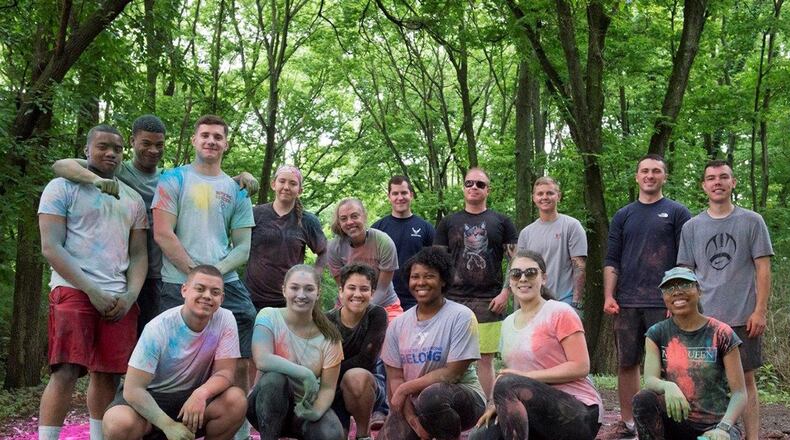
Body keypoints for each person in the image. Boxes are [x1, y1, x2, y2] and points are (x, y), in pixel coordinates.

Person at [51, 114, 259, 335]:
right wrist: (96, 180)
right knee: (135, 338)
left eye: (159, 145)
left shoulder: (168, 176)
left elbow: (206, 181)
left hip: (161, 270)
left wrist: (239, 178)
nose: (153, 150)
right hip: (128, 269)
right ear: (132, 143)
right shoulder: (118, 169)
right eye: (146, 143)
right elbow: (61, 165)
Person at [38, 125, 148, 440]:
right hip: (73, 291)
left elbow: (139, 255)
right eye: (102, 146)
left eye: (117, 147)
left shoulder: (133, 199)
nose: (110, 153)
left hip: (118, 299)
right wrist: (91, 290)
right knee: (66, 371)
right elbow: (51, 247)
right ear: (87, 150)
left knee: (108, 376)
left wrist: (129, 295)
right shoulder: (61, 188)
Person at [152, 114, 257, 439]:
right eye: (205, 135)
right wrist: (195, 274)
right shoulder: (172, 179)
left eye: (218, 137)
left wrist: (213, 274)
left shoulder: (236, 189)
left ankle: (237, 423)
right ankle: (168, 421)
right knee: (175, 353)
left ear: (226, 144)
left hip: (226, 281)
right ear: (196, 141)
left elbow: (242, 247)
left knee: (246, 330)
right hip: (177, 279)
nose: (211, 141)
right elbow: (162, 233)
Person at [677, 160, 773, 440]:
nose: (717, 182)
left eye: (723, 177)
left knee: (746, 381)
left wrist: (760, 311)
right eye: (711, 178)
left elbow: (763, 268)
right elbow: (684, 273)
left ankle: (751, 437)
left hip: (743, 318)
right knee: (702, 383)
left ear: (733, 182)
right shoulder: (692, 227)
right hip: (703, 320)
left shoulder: (752, 221)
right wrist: (682, 310)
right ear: (703, 186)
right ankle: (711, 434)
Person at [102, 265, 247, 440]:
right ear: (184, 290)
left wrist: (201, 393)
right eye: (200, 289)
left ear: (222, 298)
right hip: (150, 398)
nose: (207, 296)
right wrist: (167, 425)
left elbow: (225, 372)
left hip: (192, 398)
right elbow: (133, 390)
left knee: (236, 400)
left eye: (215, 292)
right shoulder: (158, 328)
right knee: (118, 422)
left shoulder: (225, 319)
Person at [603, 154, 692, 438]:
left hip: (664, 303)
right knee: (627, 362)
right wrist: (608, 295)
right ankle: (630, 423)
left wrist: (677, 299)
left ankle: (670, 420)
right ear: (637, 177)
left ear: (664, 177)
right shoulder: (623, 215)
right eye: (645, 171)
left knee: (672, 364)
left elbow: (685, 261)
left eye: (656, 171)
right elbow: (612, 259)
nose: (650, 176)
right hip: (627, 301)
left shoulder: (678, 212)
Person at [470, 250, 602, 440]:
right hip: (532, 410)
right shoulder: (508, 323)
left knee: (509, 383)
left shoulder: (560, 312)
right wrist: (495, 402)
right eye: (516, 274)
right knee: (480, 436)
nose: (523, 278)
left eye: (530, 272)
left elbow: (581, 367)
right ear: (511, 282)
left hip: (579, 411)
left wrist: (523, 378)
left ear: (544, 278)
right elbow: (510, 373)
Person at [379, 247, 486, 440]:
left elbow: (452, 373)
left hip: (463, 399)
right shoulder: (397, 324)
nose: (420, 282)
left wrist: (404, 389)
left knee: (432, 398)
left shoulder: (461, 316)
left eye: (429, 276)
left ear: (443, 280)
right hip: (415, 405)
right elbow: (395, 379)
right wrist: (415, 424)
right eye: (415, 277)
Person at [632, 267, 747, 440]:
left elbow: (740, 393)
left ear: (699, 291)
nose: (677, 292)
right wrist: (668, 386)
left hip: (716, 425)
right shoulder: (657, 333)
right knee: (643, 399)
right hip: (677, 422)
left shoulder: (721, 333)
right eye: (669, 288)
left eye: (685, 285)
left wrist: (723, 428)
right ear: (664, 297)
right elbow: (649, 380)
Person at [434, 167, 518, 399]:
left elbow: (516, 261)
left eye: (480, 184)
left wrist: (505, 293)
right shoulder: (448, 222)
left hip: (489, 300)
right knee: (450, 357)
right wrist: (437, 299)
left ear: (487, 190)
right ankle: (451, 404)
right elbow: (437, 263)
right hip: (452, 300)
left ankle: (489, 410)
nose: (474, 187)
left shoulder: (502, 221)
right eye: (469, 183)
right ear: (463, 187)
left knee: (484, 359)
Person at [247, 264, 345, 440]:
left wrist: (315, 413)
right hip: (264, 405)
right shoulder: (268, 315)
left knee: (332, 433)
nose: (301, 295)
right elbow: (262, 359)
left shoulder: (330, 338)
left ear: (318, 292)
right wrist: (305, 374)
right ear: (284, 290)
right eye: (294, 288)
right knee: (275, 378)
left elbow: (328, 388)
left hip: (301, 409)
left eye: (309, 289)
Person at [246, 165, 327, 310]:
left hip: (290, 301)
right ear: (273, 184)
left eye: (293, 183)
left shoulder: (307, 221)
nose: (286, 187)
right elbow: (240, 246)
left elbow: (324, 251)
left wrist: (314, 277)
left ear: (300, 191)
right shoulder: (255, 214)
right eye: (282, 181)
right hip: (252, 299)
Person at [326, 263, 388, 440]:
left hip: (366, 385)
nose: (357, 294)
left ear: (372, 292)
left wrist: (330, 369)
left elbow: (366, 360)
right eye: (351, 288)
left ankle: (363, 434)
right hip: (331, 388)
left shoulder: (377, 315)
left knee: (355, 376)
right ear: (341, 291)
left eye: (364, 289)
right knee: (334, 435)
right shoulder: (327, 320)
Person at [516, 176, 586, 308]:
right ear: (534, 198)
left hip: (564, 300)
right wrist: (519, 305)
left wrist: (576, 303)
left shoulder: (572, 226)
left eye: (550, 193)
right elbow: (520, 270)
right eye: (540, 193)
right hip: (533, 302)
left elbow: (580, 266)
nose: (545, 197)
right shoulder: (526, 233)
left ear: (558, 196)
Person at [328, 198, 403, 320]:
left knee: (395, 334)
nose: (350, 222)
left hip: (385, 304)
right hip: (349, 303)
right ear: (339, 223)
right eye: (344, 219)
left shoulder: (383, 242)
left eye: (354, 216)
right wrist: (353, 310)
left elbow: (382, 288)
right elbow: (342, 285)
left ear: (364, 216)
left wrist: (364, 311)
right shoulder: (333, 247)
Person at [372, 175, 435, 310]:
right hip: (384, 301)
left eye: (404, 193)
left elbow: (436, 265)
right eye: (395, 193)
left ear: (411, 195)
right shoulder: (377, 229)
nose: (400, 197)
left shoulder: (426, 228)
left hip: (417, 299)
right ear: (389, 196)